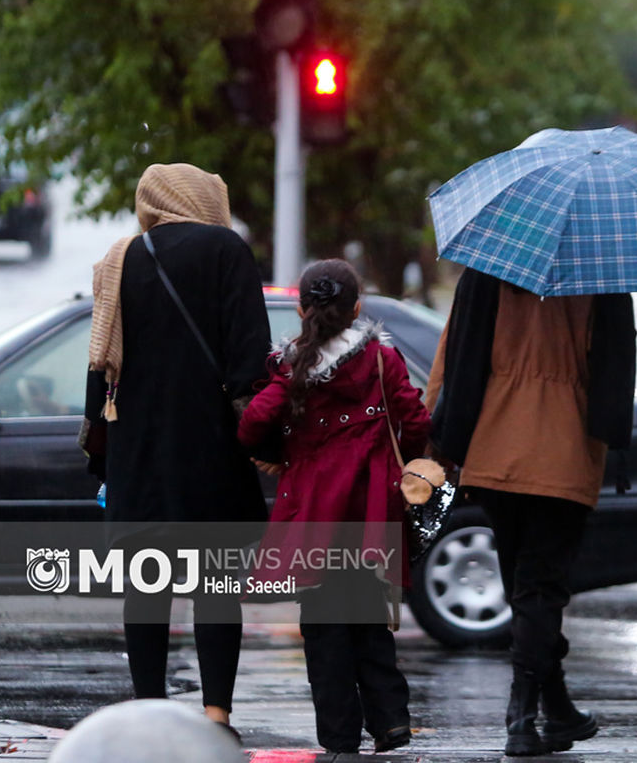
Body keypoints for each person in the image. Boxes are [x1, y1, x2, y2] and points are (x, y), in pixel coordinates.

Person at [81, 163, 271, 741]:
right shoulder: (225, 250)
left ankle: (147, 714)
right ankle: (216, 717)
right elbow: (248, 360)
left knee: (146, 589)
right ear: (206, 199)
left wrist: (101, 457)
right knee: (215, 587)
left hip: (139, 452)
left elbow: (100, 368)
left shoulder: (120, 259)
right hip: (209, 449)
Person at [426, 268, 636, 757]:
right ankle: (520, 717)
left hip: (494, 445)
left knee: (526, 587)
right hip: (563, 448)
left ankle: (557, 710)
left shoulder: (485, 275)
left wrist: (436, 434)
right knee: (541, 588)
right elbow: (614, 367)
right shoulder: (603, 277)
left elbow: (452, 357)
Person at [236, 259, 431, 755]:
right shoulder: (384, 362)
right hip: (371, 514)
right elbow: (415, 421)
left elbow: (252, 425)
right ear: (358, 309)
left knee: (323, 627)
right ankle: (390, 721)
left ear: (302, 309)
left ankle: (340, 738)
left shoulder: (291, 366)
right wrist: (396, 461)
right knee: (369, 615)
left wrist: (285, 451)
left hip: (313, 521)